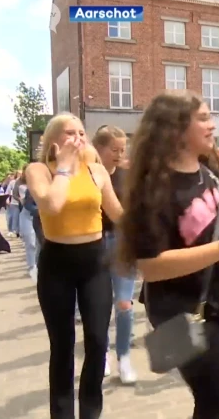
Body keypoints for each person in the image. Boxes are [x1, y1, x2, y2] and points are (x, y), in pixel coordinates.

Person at [118, 90, 219, 418]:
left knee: (213, 404)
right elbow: (152, 266)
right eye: (203, 118)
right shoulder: (155, 187)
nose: (212, 124)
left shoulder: (212, 173)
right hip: (182, 311)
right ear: (175, 128)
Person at [26, 113, 123, 419]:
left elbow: (118, 213)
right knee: (63, 344)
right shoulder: (40, 170)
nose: (78, 138)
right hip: (57, 263)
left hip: (94, 261)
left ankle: (91, 411)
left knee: (97, 339)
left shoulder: (96, 170)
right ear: (53, 140)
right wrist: (65, 169)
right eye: (70, 133)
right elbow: (51, 205)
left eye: (82, 133)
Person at [92, 125, 137, 384]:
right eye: (114, 150)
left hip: (121, 244)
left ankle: (124, 357)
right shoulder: (88, 175)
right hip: (94, 244)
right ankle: (102, 355)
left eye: (123, 150)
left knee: (124, 303)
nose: (119, 155)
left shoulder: (126, 175)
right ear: (99, 149)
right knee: (98, 306)